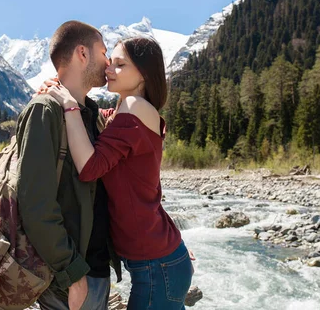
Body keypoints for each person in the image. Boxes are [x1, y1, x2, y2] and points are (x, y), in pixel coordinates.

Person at [45, 36, 194, 310]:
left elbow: (90, 167)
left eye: (120, 65)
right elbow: (103, 120)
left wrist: (68, 104)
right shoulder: (125, 110)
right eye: (110, 63)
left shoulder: (135, 109)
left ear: (144, 74)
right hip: (159, 259)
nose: (109, 70)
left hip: (156, 264)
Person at [16, 20, 121, 310]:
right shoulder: (44, 110)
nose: (109, 61)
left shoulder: (91, 113)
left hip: (95, 270)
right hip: (70, 279)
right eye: (104, 52)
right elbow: (35, 204)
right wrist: (72, 274)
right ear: (82, 54)